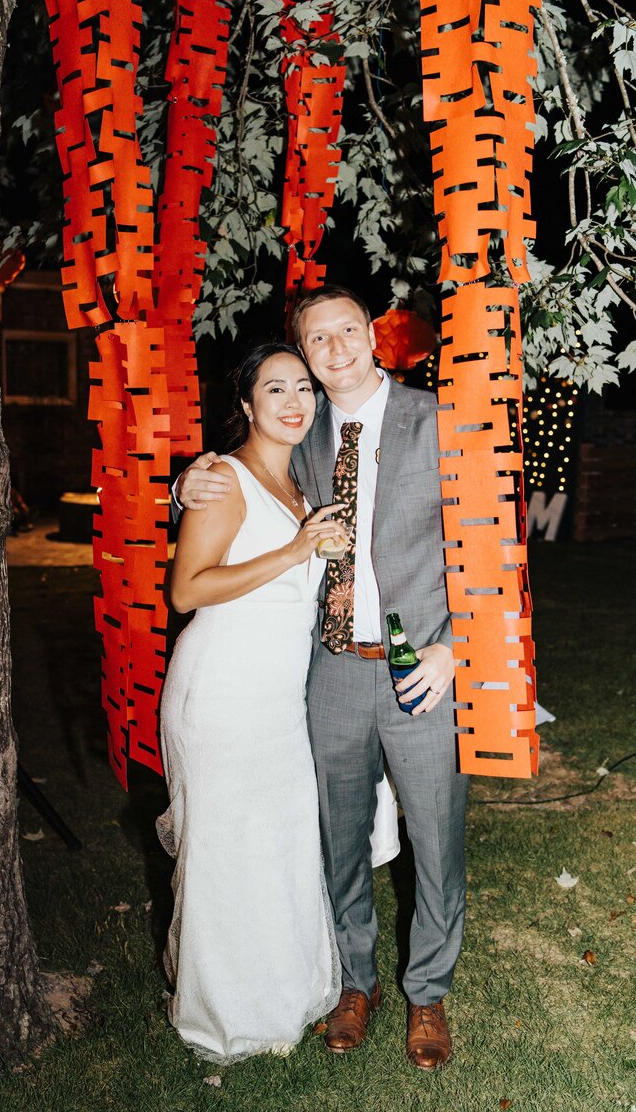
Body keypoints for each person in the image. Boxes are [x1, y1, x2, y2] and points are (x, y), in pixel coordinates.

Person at [176, 287, 468, 1070]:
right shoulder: (302, 435)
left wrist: (457, 648)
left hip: (421, 670)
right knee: (336, 840)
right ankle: (355, 980)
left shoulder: (437, 419)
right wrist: (187, 481)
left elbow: (494, 542)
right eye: (318, 339)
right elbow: (240, 480)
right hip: (330, 671)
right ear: (301, 354)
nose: (335, 349)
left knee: (435, 837)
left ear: (375, 336)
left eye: (348, 332)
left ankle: (428, 990)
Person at [158, 342, 399, 1065]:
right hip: (223, 689)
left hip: (279, 695)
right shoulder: (225, 479)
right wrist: (295, 552)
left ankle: (291, 990)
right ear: (245, 404)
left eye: (304, 388)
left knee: (278, 842)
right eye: (275, 390)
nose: (295, 402)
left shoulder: (300, 480)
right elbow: (186, 589)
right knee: (228, 850)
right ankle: (226, 1012)